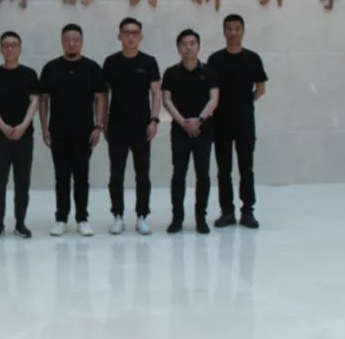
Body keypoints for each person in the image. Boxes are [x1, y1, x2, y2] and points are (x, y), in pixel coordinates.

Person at [39, 23, 107, 237]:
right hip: (58, 132)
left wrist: (98, 126)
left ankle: (82, 218)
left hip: (84, 132)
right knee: (61, 177)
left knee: (81, 177)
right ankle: (61, 218)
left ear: (82, 42)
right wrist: (44, 128)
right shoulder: (51, 68)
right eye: (67, 40)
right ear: (62, 42)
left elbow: (100, 98)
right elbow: (43, 100)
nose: (71, 43)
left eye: (76, 40)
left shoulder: (92, 68)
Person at [207, 14, 268, 229]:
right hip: (221, 122)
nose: (233, 32)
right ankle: (227, 212)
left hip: (244, 122)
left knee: (246, 168)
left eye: (237, 28)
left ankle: (247, 211)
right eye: (229, 28)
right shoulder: (215, 59)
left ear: (243, 31)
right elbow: (210, 90)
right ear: (223, 31)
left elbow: (260, 89)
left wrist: (245, 101)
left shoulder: (252, 58)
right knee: (223, 170)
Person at [102, 17, 162, 236]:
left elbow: (156, 93)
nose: (131, 37)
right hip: (117, 125)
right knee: (116, 174)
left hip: (142, 126)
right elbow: (103, 95)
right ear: (119, 36)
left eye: (135, 33)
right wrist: (102, 122)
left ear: (141, 36)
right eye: (126, 32)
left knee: (142, 174)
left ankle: (142, 216)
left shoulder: (149, 62)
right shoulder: (111, 62)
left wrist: (154, 120)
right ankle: (117, 215)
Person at [0, 31, 39, 239]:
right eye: (6, 45)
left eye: (14, 45)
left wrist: (23, 126)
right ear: (0, 49)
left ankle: (20, 223)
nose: (10, 48)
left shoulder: (29, 74)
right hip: (0, 138)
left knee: (22, 183)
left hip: (24, 138)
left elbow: (35, 101)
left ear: (20, 48)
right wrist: (4, 127)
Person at [161, 29, 219, 234]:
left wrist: (199, 120)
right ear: (178, 48)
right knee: (179, 174)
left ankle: (200, 218)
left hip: (204, 130)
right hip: (180, 131)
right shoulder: (171, 73)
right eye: (184, 44)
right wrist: (184, 123)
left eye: (192, 43)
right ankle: (177, 218)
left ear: (199, 46)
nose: (188, 47)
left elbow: (214, 99)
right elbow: (167, 101)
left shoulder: (209, 72)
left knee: (203, 175)